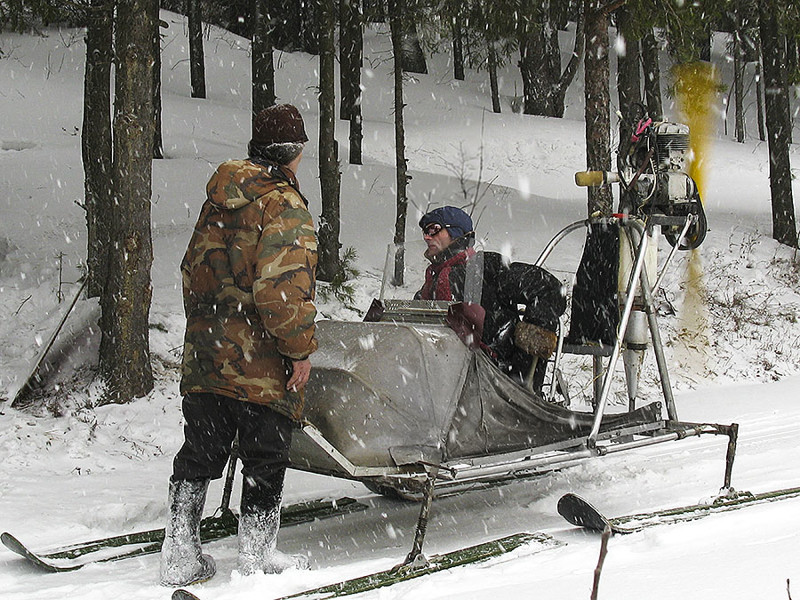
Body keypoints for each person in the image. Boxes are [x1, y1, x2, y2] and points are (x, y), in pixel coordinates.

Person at [160, 104, 318, 587]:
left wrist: (211, 332)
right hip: (260, 363)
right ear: (295, 153)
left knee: (200, 450)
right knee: (264, 456)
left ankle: (179, 551)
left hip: (207, 355)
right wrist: (298, 350)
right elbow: (281, 291)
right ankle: (257, 559)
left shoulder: (218, 200)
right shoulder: (284, 206)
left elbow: (191, 271)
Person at [414, 206, 566, 388]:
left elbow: (550, 288)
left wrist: (525, 360)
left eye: (433, 229)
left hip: (493, 383)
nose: (426, 237)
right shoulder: (431, 284)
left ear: (455, 232)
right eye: (425, 231)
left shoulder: (485, 268)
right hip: (443, 382)